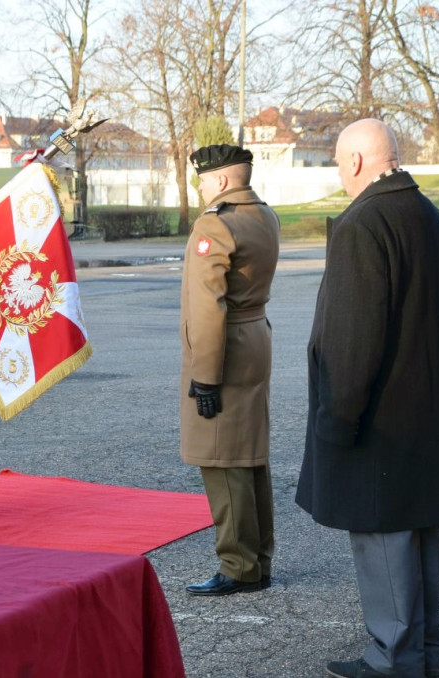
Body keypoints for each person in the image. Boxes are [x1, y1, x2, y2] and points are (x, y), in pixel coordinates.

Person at [295, 119, 439, 678]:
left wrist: (338, 419)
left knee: (383, 538)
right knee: (421, 533)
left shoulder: (363, 222)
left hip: (379, 416)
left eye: (341, 165)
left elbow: (351, 336)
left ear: (360, 162)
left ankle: (394, 658)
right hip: (424, 406)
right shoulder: (431, 216)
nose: (341, 176)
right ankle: (424, 651)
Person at [180, 144, 279, 597]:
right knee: (249, 453)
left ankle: (238, 564)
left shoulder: (215, 223)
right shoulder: (264, 216)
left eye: (202, 179)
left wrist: (205, 376)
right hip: (254, 336)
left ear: (220, 181)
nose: (199, 187)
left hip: (225, 349)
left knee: (222, 457)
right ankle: (257, 559)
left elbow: (207, 309)